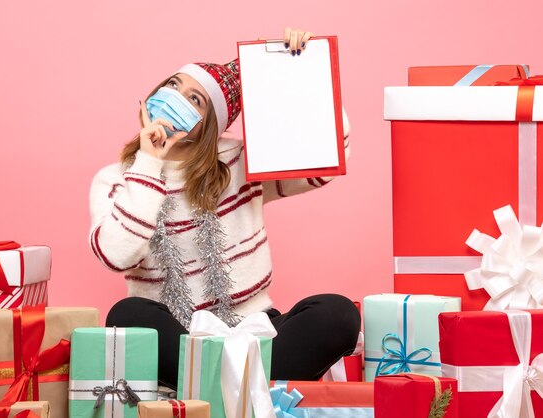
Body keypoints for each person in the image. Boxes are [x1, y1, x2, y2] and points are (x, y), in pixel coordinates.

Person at [89, 27, 360, 390]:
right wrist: (151, 161)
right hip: (180, 336)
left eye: (195, 100)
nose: (175, 98)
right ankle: (250, 388)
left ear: (210, 124)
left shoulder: (239, 163)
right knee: (127, 315)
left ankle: (212, 389)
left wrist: (298, 70)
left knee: (338, 312)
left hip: (256, 331)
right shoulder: (118, 178)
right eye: (172, 85)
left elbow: (329, 156)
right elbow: (115, 255)